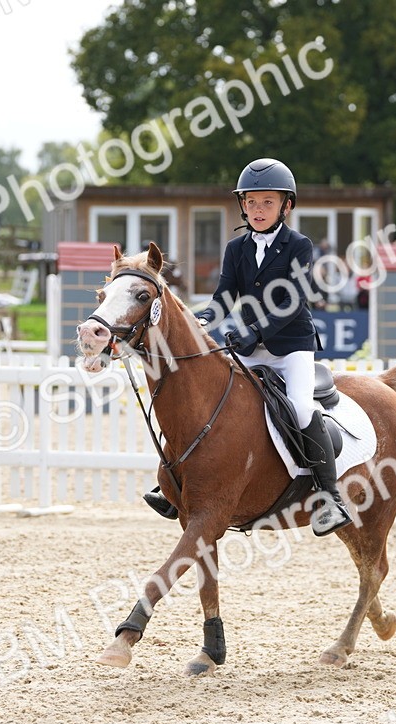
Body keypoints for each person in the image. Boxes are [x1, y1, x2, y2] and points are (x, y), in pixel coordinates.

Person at [142, 158, 351, 537]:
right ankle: (174, 485)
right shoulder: (236, 248)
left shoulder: (299, 246)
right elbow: (224, 296)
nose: (257, 210)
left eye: (267, 202)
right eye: (251, 202)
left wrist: (254, 331)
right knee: (215, 401)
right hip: (250, 345)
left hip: (292, 347)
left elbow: (293, 301)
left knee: (302, 408)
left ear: (286, 206)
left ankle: (329, 496)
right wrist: (203, 320)